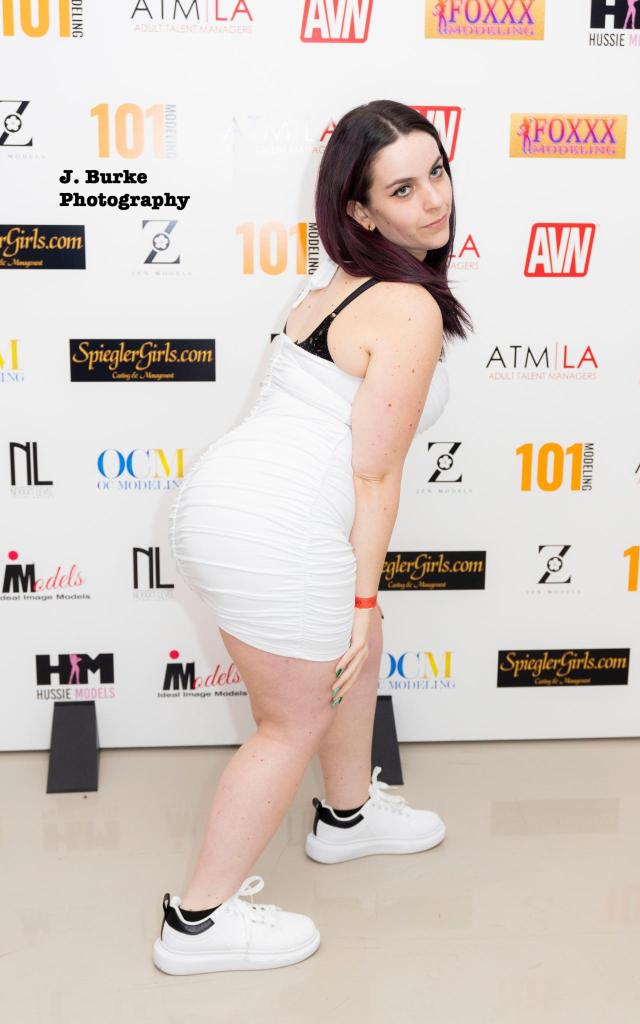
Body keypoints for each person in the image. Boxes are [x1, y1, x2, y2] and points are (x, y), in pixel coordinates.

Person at [153, 98, 473, 976]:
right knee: (290, 720)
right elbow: (373, 473)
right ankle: (196, 922)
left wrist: (364, 611)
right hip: (272, 522)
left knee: (357, 653)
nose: (432, 201)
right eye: (401, 189)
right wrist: (362, 596)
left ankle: (347, 814)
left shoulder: (336, 286)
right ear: (360, 211)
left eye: (436, 173)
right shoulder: (405, 305)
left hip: (227, 502)